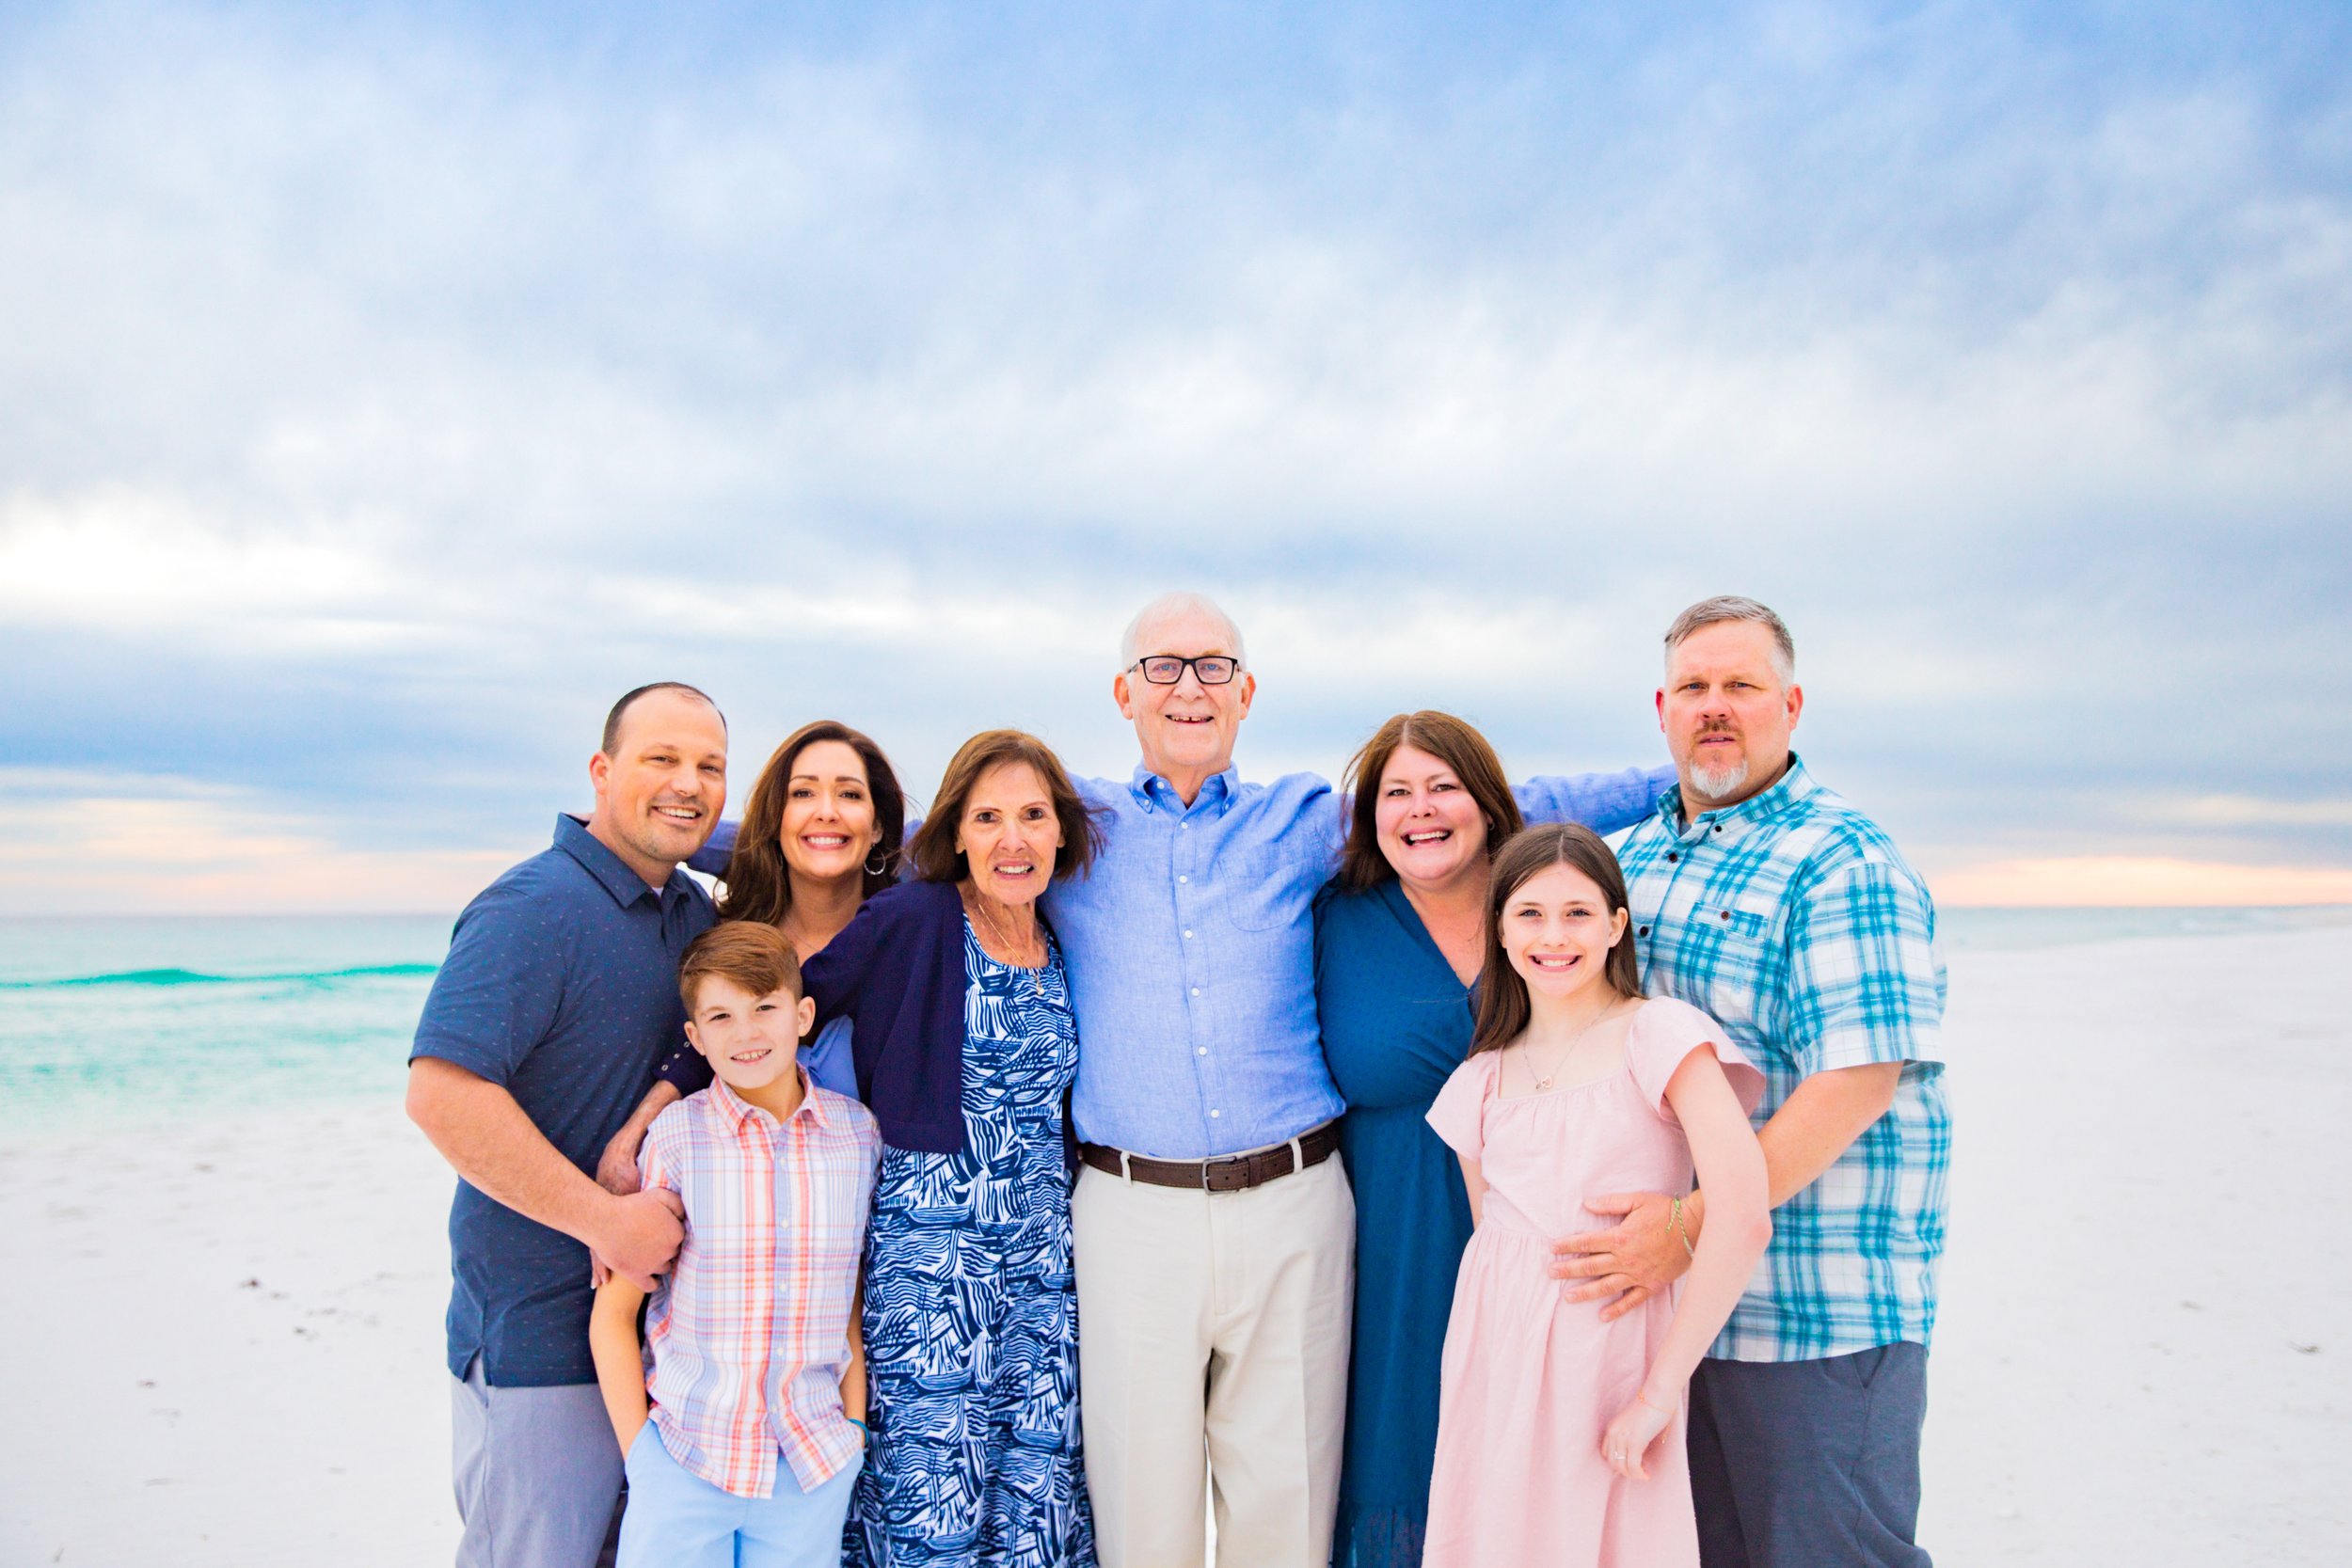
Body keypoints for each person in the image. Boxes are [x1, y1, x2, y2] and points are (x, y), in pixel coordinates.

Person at [1047, 593, 1676, 1568]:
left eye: (1212, 665)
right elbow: (915, 831)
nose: (1188, 686)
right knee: (1142, 1513)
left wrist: (1685, 775)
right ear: (1123, 691)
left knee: (1286, 1505)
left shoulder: (1305, 822)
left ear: (1246, 691)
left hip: (1294, 1198)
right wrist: (724, 834)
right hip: (1130, 1203)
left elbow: (1504, 801)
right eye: (1163, 666)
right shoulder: (1067, 826)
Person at [1549, 595, 1949, 1568]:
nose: (1715, 706)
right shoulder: (1630, 861)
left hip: (1813, 1312)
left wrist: (1688, 1228)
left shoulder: (1841, 858)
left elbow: (1854, 1079)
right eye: (1694, 686)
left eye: (1741, 685)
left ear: (1791, 704)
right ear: (1661, 708)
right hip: (1670, 1327)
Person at [406, 682, 729, 1568]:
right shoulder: (532, 906)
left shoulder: (693, 911)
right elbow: (441, 1093)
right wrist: (606, 1221)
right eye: (661, 759)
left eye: (709, 767)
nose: (688, 783)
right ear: (600, 770)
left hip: (660, 1348)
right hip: (539, 1345)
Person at [1421, 825, 1771, 1568]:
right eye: (1530, 913)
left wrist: (1658, 1390)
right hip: (1496, 1374)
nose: (1555, 935)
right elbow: (1494, 1247)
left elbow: (1742, 1216)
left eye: (1578, 912)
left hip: (1611, 1364)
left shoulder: (1659, 1035)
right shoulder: (1482, 1078)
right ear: (1502, 930)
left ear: (1616, 925)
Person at [799, 729, 1103, 1566]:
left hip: (1046, 1273)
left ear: (1061, 833)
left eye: (1033, 815)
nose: (1013, 838)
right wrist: (662, 1109)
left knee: (1040, 1507)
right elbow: (785, 1006)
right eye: (989, 816)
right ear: (957, 832)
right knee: (933, 1504)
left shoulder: (1062, 939)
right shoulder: (914, 916)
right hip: (932, 1268)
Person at [589, 922, 882, 1568]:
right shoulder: (674, 1139)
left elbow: (852, 1295)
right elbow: (613, 1313)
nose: (746, 1033)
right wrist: (643, 1454)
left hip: (811, 1464)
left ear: (803, 1014)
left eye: (765, 1008)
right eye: (720, 1016)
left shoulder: (858, 1137)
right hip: (688, 1458)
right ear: (695, 1037)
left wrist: (854, 1426)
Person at [1311, 710, 1520, 1565]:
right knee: (1394, 1475)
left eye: (1443, 786)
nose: (1421, 809)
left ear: (1487, 801)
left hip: (1535, 1246)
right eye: (1397, 791)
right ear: (1371, 817)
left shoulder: (1540, 908)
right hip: (1387, 1249)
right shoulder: (1332, 918)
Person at [599, 720, 910, 1189]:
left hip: (893, 1233)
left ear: (878, 823)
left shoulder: (912, 937)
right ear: (774, 818)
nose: (827, 812)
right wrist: (634, 1133)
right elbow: (704, 1044)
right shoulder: (736, 937)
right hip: (751, 1226)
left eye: (849, 795)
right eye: (802, 794)